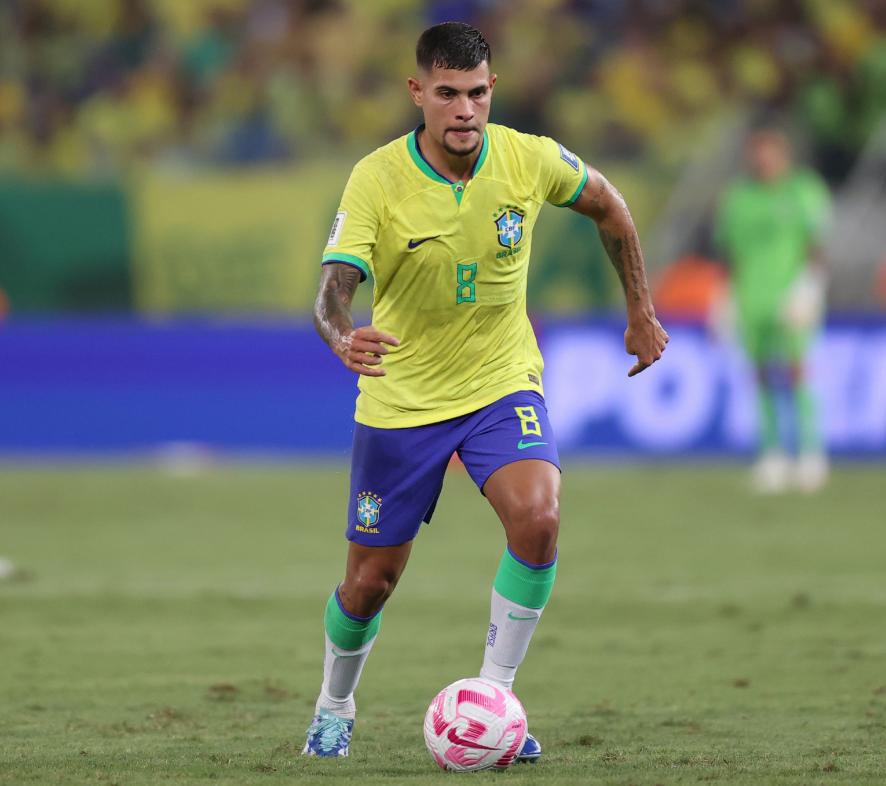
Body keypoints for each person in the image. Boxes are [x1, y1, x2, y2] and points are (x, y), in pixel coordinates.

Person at [305, 22, 668, 762]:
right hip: (401, 400)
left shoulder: (529, 159)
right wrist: (344, 337)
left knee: (538, 519)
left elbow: (611, 207)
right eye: (447, 94)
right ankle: (333, 705)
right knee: (370, 584)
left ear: (492, 89)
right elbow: (331, 295)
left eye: (476, 93)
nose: (464, 110)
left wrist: (641, 308)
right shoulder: (377, 178)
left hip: (501, 383)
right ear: (419, 93)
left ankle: (494, 699)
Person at [715, 127, 832, 494]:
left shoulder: (803, 191)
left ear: (784, 154)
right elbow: (731, 253)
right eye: (757, 152)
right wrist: (728, 297)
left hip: (791, 297)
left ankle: (811, 453)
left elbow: (817, 247)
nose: (763, 160)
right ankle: (772, 454)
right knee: (761, 375)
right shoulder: (738, 199)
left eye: (770, 152)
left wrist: (809, 289)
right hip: (752, 298)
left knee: (797, 373)